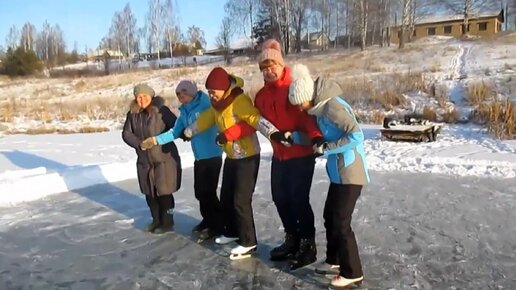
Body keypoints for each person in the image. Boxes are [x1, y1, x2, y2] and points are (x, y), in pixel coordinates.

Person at [183, 67, 282, 259]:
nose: (211, 95)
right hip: (231, 156)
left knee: (241, 200)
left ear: (224, 88)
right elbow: (206, 119)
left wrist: (273, 132)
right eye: (209, 91)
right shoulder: (216, 104)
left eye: (214, 91)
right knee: (226, 197)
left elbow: (254, 119)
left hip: (248, 156)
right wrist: (189, 131)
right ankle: (232, 231)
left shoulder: (239, 101)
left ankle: (248, 241)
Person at [288, 64, 370, 288]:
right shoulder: (320, 110)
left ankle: (352, 271)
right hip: (338, 173)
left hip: (350, 172)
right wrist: (293, 137)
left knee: (341, 222)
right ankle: (334, 260)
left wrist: (328, 148)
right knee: (330, 216)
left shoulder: (332, 106)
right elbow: (317, 140)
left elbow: (357, 136)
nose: (301, 109)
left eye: (300, 104)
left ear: (308, 97)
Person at [254, 39, 323, 270]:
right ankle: (291, 239)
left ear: (281, 64)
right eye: (264, 67)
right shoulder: (261, 96)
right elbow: (260, 122)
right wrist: (272, 135)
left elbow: (308, 116)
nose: (269, 70)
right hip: (279, 155)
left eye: (272, 65)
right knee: (279, 197)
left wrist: (314, 137)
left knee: (298, 199)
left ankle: (308, 244)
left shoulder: (293, 86)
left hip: (301, 153)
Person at [140, 80, 224, 242]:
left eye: (183, 94)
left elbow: (211, 122)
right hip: (199, 156)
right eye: (178, 95)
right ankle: (208, 219)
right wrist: (155, 140)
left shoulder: (207, 104)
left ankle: (217, 225)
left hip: (212, 154)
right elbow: (175, 132)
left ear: (192, 94)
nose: (180, 98)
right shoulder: (184, 110)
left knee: (208, 192)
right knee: (200, 192)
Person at [122, 83, 182, 234]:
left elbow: (177, 128)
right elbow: (126, 133)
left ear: (151, 96)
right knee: (150, 193)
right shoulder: (132, 114)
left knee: (164, 192)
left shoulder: (161, 111)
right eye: (139, 97)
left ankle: (167, 222)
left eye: (145, 96)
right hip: (144, 161)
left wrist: (159, 140)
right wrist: (139, 144)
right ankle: (156, 220)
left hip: (164, 159)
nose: (141, 100)